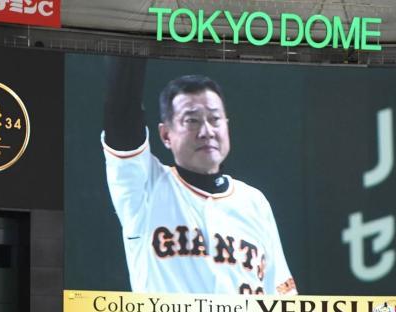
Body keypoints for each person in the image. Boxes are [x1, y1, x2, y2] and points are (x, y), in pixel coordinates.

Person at [101, 57, 296, 295]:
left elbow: (284, 301)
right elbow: (122, 121)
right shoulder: (147, 188)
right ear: (165, 135)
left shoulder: (255, 202)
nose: (206, 132)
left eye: (215, 119)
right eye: (191, 121)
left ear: (226, 125)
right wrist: (131, 40)